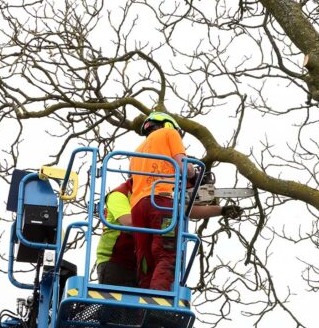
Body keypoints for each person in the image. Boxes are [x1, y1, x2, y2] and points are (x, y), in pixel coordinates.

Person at [129, 110, 240, 292]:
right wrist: (196, 174)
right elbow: (183, 166)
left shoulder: (136, 152)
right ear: (168, 124)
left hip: (138, 207)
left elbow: (183, 206)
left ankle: (144, 304)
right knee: (167, 254)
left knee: (145, 260)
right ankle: (159, 304)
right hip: (161, 202)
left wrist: (219, 209)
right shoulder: (169, 133)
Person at [95, 179, 138, 287]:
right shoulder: (119, 194)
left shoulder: (144, 195)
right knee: (114, 302)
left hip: (135, 263)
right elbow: (129, 222)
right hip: (114, 261)